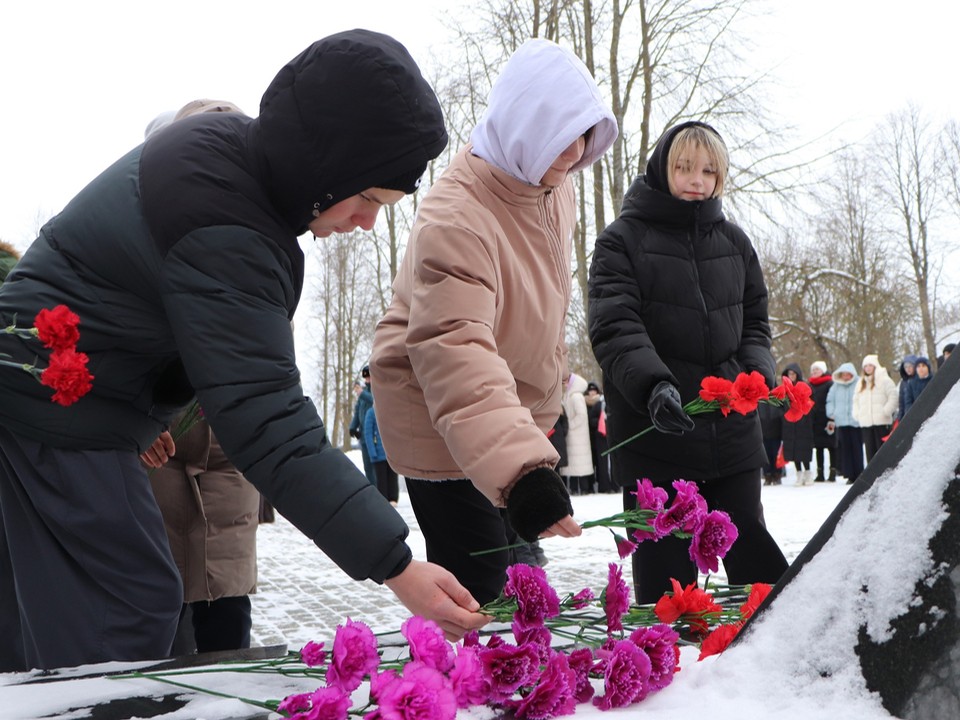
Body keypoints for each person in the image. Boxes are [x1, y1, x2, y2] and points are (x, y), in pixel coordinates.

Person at [0, 30, 488, 673]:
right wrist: (395, 563)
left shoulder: (221, 163)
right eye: (368, 199)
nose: (367, 223)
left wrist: (135, 407)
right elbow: (265, 417)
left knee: (73, 616)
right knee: (128, 615)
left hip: (69, 406)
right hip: (52, 410)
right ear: (325, 167)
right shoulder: (230, 224)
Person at [369, 38, 618, 605]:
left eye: (585, 134)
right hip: (442, 426)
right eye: (561, 133)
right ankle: (459, 687)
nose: (575, 151)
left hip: (507, 420)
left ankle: (521, 681)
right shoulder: (456, 217)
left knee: (524, 579)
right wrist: (525, 470)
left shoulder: (552, 184)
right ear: (524, 124)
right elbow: (454, 347)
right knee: (481, 595)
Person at [588, 121, 788, 603]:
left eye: (707, 171)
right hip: (659, 432)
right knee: (666, 585)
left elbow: (756, 323)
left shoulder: (736, 244)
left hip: (730, 432)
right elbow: (615, 325)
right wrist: (653, 385)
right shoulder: (621, 240)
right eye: (683, 167)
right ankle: (666, 665)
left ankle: (769, 656)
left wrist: (756, 378)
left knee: (755, 569)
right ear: (662, 168)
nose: (696, 180)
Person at [138, 98, 262, 656]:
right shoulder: (138, 237)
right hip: (156, 456)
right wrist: (138, 425)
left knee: (226, 611)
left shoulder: (251, 241)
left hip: (225, 462)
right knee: (163, 621)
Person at [852, 354, 898, 464]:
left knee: (882, 452)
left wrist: (886, 411)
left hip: (881, 422)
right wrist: (858, 414)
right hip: (866, 422)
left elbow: (893, 397)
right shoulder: (860, 383)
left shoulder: (885, 380)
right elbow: (856, 400)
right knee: (870, 452)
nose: (868, 368)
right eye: (865, 366)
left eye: (870, 365)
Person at [826, 362, 863, 485]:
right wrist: (832, 413)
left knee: (856, 448)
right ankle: (849, 474)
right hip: (841, 421)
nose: (846, 376)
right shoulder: (836, 386)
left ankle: (859, 472)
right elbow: (830, 400)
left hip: (855, 421)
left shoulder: (859, 383)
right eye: (844, 374)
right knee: (845, 449)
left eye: (848, 374)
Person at [559, 372, 595, 495]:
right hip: (574, 436)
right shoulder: (569, 395)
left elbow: (581, 415)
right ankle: (576, 488)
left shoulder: (575, 396)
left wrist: (570, 425)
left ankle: (582, 488)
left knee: (579, 463)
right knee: (575, 464)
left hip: (577, 435)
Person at [363, 397, 399, 506]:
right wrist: (372, 453)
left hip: (391, 453)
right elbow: (368, 433)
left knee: (392, 477)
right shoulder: (371, 413)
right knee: (381, 479)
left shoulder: (390, 411)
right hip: (378, 455)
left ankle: (393, 498)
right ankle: (384, 500)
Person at [808, 360, 837, 482]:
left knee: (831, 446)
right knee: (818, 447)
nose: (815, 372)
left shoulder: (830, 383)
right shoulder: (810, 385)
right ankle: (820, 472)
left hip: (828, 418)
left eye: (817, 370)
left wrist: (832, 416)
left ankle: (833, 471)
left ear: (823, 371)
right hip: (815, 419)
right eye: (813, 370)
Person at [585, 380, 614, 493]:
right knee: (602, 463)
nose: (592, 392)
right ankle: (605, 486)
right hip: (600, 437)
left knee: (612, 461)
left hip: (611, 435)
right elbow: (591, 420)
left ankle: (615, 485)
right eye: (590, 390)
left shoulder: (610, 402)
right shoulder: (597, 405)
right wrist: (600, 421)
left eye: (594, 390)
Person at [349, 365, 376, 485]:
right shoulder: (363, 393)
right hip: (364, 436)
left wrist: (362, 394)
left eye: (369, 377)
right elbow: (357, 411)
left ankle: (380, 492)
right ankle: (372, 490)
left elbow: (376, 402)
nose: (367, 380)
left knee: (376, 466)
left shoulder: (377, 390)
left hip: (375, 437)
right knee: (367, 467)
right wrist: (353, 427)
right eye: (365, 378)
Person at [895, 354, 917, 422]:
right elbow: (901, 403)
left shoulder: (919, 381)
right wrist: (899, 419)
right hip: (906, 416)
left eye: (910, 366)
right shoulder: (903, 383)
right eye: (906, 367)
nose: (908, 369)